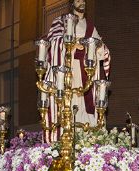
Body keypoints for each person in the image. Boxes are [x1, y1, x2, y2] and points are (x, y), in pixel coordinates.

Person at [43, 0, 111, 137]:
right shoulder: (61, 21)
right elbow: (54, 41)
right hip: (68, 70)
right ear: (72, 3)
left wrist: (100, 49)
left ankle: (86, 133)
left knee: (85, 103)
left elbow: (99, 46)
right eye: (78, 0)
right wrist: (73, 44)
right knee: (69, 99)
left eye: (84, 0)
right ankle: (66, 132)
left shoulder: (90, 27)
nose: (82, 3)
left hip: (86, 71)